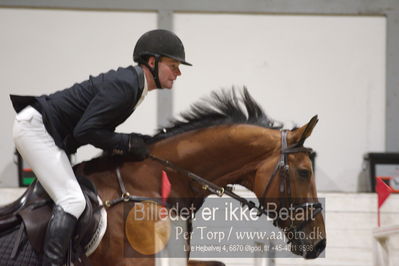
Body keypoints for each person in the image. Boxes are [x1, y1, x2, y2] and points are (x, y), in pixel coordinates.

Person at [10, 29, 191, 266]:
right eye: (173, 65)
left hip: (49, 133)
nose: (178, 73)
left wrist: (130, 141)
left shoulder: (134, 86)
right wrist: (126, 142)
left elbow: (96, 131)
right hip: (36, 130)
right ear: (152, 62)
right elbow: (84, 131)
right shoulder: (127, 85)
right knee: (72, 200)